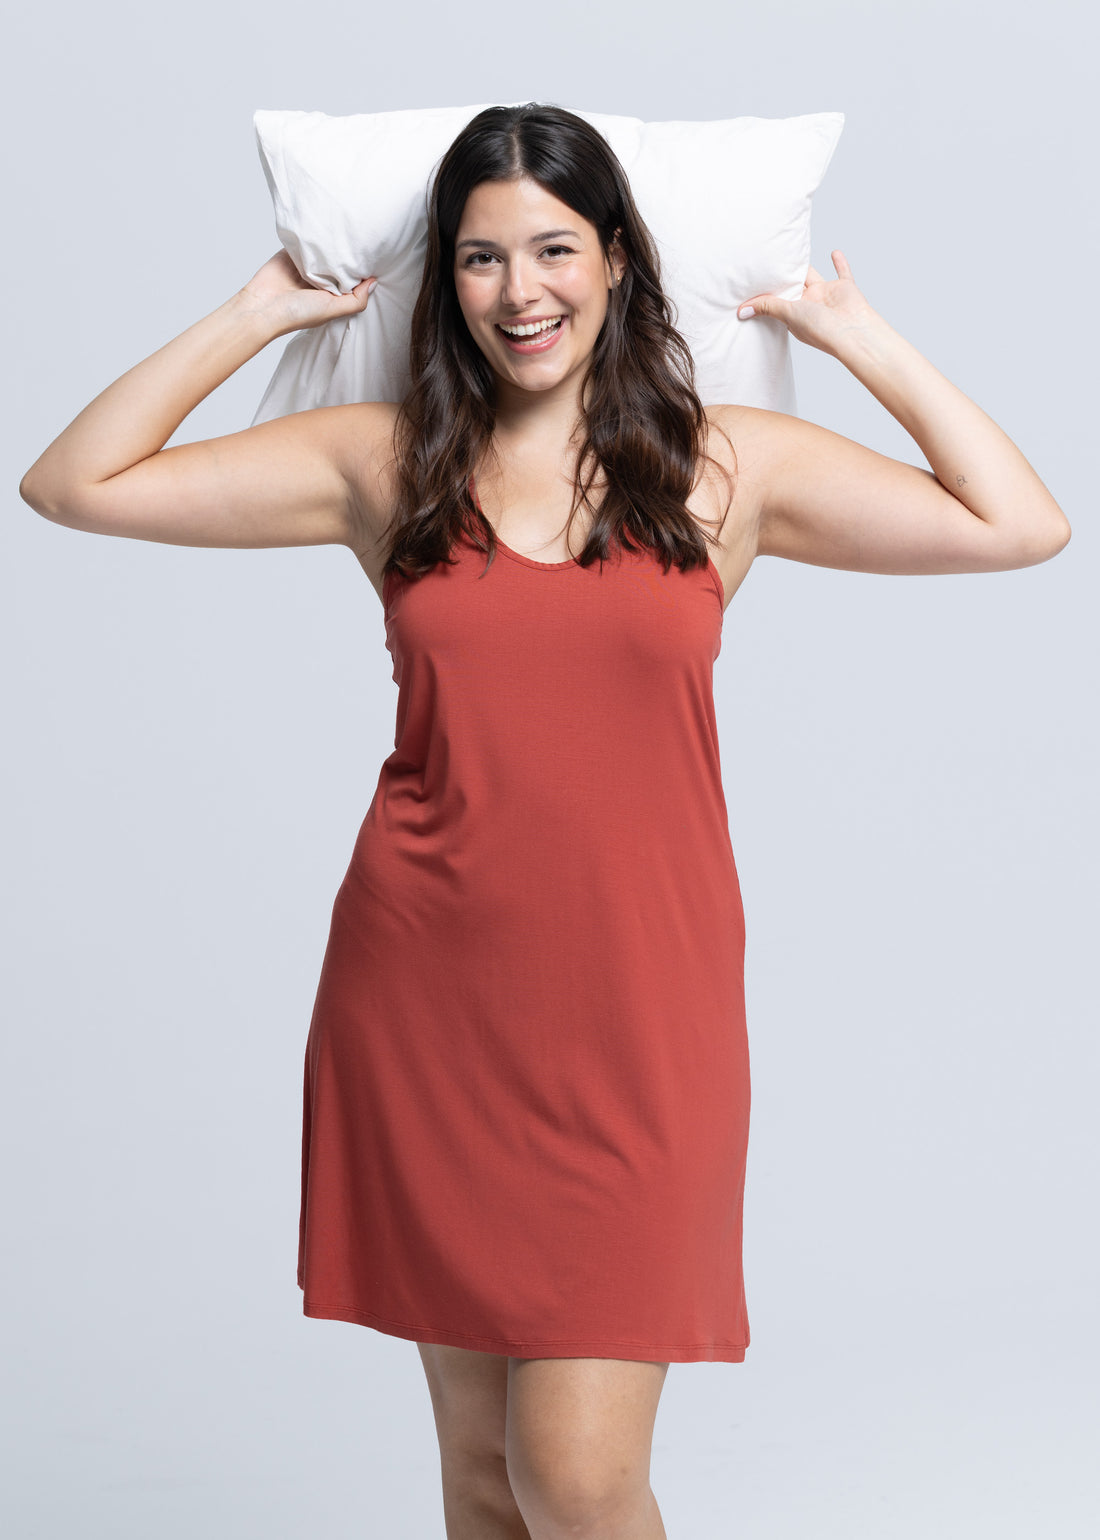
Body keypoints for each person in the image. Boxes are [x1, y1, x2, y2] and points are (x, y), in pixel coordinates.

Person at [19, 102, 1070, 1540]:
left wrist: (852, 337)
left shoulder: (722, 469)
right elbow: (73, 483)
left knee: (577, 1477)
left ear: (623, 261)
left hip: (644, 1024)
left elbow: (1021, 522)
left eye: (557, 250)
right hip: (427, 1009)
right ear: (444, 283)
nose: (523, 292)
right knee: (480, 1479)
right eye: (479, 259)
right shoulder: (386, 462)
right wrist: (259, 310)